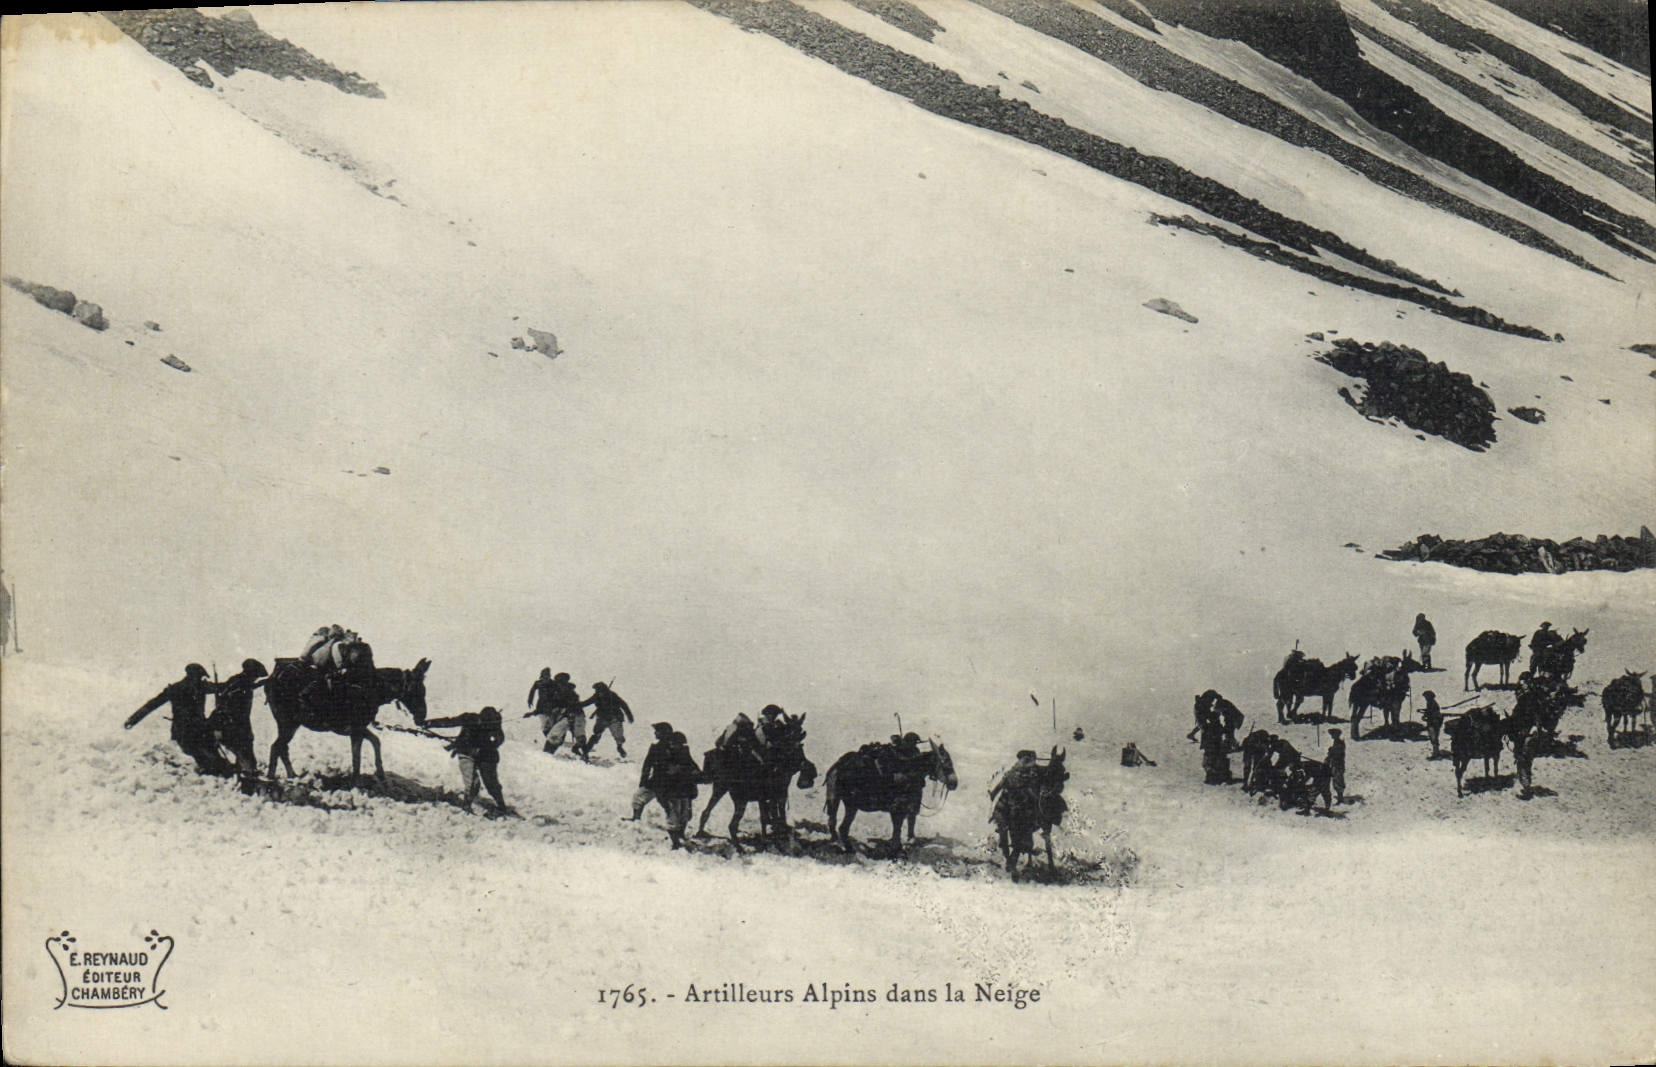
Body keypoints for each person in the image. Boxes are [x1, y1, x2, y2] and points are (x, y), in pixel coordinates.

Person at [125, 663, 234, 775]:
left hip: (188, 731)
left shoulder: (180, 688)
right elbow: (223, 687)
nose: (201, 680)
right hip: (191, 732)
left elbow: (152, 705)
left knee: (210, 757)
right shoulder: (195, 687)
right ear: (194, 676)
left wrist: (133, 719)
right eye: (200, 677)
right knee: (207, 759)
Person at [425, 707, 515, 816]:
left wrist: (487, 745)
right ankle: (467, 804)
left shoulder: (495, 723)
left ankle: (501, 806)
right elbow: (450, 721)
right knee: (472, 782)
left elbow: (499, 739)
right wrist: (430, 723)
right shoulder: (469, 718)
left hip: (486, 754)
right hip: (466, 751)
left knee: (491, 782)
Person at [209, 658, 267, 787]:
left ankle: (244, 773)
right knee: (244, 753)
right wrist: (218, 727)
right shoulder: (240, 688)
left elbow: (248, 686)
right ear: (251, 674)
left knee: (245, 750)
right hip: (229, 724)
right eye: (256, 676)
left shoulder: (239, 681)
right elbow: (225, 706)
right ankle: (246, 780)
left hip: (236, 724)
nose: (255, 679)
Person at [654, 731, 702, 849]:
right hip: (671, 791)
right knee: (673, 816)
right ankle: (675, 842)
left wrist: (693, 772)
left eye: (675, 743)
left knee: (684, 815)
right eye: (671, 743)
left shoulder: (684, 754)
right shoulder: (665, 754)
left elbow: (693, 766)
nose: (672, 745)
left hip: (684, 790)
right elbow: (664, 770)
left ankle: (680, 835)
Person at [525, 670, 586, 758]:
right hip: (566, 717)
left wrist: (570, 711)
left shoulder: (570, 693)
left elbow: (573, 705)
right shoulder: (557, 692)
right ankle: (549, 753)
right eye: (557, 683)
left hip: (575, 716)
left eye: (560, 682)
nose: (558, 685)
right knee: (555, 733)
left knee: (578, 736)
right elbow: (551, 705)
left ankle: (584, 754)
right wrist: (534, 712)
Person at [627, 723, 678, 821]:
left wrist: (644, 780)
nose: (655, 733)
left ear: (664, 733)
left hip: (661, 780)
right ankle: (673, 823)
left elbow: (647, 765)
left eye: (657, 731)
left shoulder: (661, 748)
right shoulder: (669, 747)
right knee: (665, 802)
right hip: (661, 780)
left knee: (641, 797)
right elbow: (648, 764)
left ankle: (636, 818)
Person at [579, 681, 634, 758]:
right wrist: (576, 705)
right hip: (602, 718)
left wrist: (629, 716)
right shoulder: (596, 696)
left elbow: (623, 704)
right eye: (597, 691)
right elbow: (587, 702)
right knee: (596, 734)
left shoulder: (612, 695)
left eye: (599, 691)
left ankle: (619, 747)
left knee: (618, 735)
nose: (598, 692)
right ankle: (586, 751)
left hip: (615, 717)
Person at [1325, 728, 1347, 804]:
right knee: (1336, 781)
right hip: (1335, 765)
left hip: (1338, 765)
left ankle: (1340, 799)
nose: (1331, 736)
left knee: (1338, 781)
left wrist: (1331, 752)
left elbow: (1337, 755)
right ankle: (1340, 797)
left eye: (1333, 734)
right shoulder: (1336, 742)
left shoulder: (1339, 743)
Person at [1421, 690, 1444, 757]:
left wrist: (1426, 715)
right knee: (1433, 737)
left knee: (1433, 737)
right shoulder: (1430, 702)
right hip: (1434, 722)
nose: (1425, 698)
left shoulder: (1431, 703)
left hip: (1434, 722)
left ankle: (1436, 752)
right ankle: (1436, 751)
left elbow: (1432, 712)